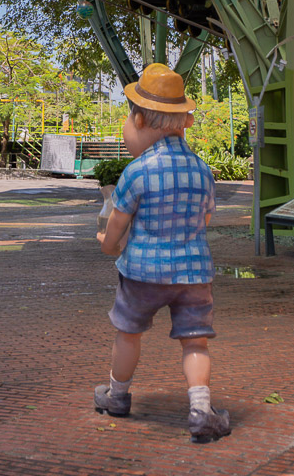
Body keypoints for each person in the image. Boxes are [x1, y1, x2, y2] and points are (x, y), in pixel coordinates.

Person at [95, 63, 230, 444]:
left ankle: (117, 397)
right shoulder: (203, 171)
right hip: (193, 274)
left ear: (139, 119)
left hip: (141, 271)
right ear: (182, 122)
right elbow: (204, 218)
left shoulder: (136, 172)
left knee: (127, 334)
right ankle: (202, 410)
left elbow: (117, 222)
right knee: (195, 342)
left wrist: (108, 245)